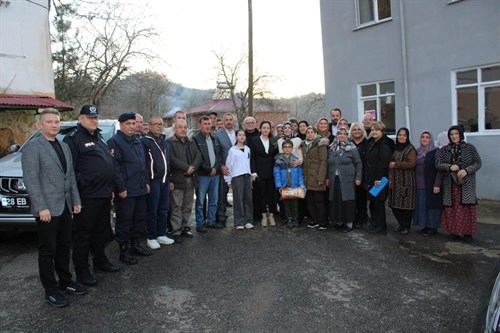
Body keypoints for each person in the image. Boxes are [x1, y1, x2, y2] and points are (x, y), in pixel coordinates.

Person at [21, 108, 85, 308]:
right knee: (48, 250)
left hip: (65, 206)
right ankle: (51, 290)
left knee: (64, 246)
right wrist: (41, 207)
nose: (54, 125)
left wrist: (76, 200)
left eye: (57, 121)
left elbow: (70, 176)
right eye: (49, 122)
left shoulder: (63, 145)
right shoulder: (33, 147)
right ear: (40, 125)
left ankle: (66, 281)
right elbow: (31, 180)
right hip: (47, 209)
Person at [63, 105, 119, 288]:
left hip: (103, 194)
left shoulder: (99, 137)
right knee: (83, 234)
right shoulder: (74, 139)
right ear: (81, 119)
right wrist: (80, 189)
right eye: (89, 117)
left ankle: (100, 261)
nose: (94, 120)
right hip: (87, 196)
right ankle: (82, 271)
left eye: (95, 117)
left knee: (101, 231)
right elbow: (70, 170)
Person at [108, 112, 152, 265]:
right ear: (121, 125)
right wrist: (120, 187)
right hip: (126, 190)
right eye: (128, 124)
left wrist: (146, 182)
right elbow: (115, 167)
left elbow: (143, 164)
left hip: (139, 187)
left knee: (139, 218)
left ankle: (135, 245)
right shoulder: (115, 141)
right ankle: (124, 250)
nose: (132, 126)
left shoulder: (137, 141)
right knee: (124, 220)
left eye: (134, 123)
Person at [436, 125, 482, 242]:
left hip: (466, 184)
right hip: (450, 184)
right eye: (451, 134)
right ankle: (454, 232)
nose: (454, 136)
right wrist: (450, 166)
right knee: (453, 209)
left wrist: (466, 170)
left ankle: (467, 233)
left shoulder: (470, 148)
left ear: (461, 135)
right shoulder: (444, 149)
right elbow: (438, 164)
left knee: (466, 208)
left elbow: (478, 162)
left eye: (456, 134)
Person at [141, 116, 175, 250]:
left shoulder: (165, 142)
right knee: (152, 210)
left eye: (160, 124)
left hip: (165, 180)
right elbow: (143, 164)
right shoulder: (145, 141)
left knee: (164, 209)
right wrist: (146, 181)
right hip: (153, 181)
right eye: (155, 124)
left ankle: (161, 233)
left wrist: (170, 179)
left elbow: (168, 162)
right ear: (149, 126)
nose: (159, 126)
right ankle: (152, 236)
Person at [168, 119, 202, 243]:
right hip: (178, 179)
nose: (183, 129)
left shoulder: (190, 141)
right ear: (175, 129)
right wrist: (185, 167)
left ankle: (183, 228)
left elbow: (198, 156)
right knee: (177, 206)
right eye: (180, 127)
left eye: (185, 127)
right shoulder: (170, 142)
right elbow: (171, 159)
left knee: (187, 206)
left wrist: (192, 167)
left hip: (191, 179)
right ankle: (175, 231)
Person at [327, 127, 362, 232]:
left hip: (348, 180)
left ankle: (348, 223)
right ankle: (338, 221)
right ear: (337, 135)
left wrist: (358, 177)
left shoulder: (352, 148)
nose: (342, 135)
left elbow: (358, 163)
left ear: (347, 136)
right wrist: (328, 178)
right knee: (336, 201)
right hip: (334, 179)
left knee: (347, 201)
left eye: (344, 134)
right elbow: (328, 164)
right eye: (340, 134)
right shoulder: (332, 148)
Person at [193, 116, 223, 233]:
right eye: (204, 123)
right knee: (200, 201)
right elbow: (197, 158)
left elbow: (219, 156)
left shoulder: (214, 139)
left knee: (213, 200)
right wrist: (208, 169)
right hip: (202, 175)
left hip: (215, 175)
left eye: (209, 123)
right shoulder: (196, 139)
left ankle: (211, 221)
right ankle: (200, 223)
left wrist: (215, 168)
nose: (207, 126)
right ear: (200, 125)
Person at [364, 121, 393, 234]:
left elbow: (383, 163)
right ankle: (375, 224)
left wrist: (378, 179)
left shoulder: (384, 145)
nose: (374, 132)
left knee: (378, 203)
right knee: (373, 202)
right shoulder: (372, 143)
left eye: (376, 130)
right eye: (372, 130)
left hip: (380, 179)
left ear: (382, 131)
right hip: (372, 178)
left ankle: (381, 227)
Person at [249, 121, 279, 226]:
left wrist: (277, 171)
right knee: (261, 195)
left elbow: (277, 156)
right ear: (260, 129)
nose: (266, 129)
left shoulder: (274, 140)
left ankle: (271, 216)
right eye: (264, 127)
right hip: (259, 172)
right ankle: (263, 216)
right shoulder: (254, 140)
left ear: (270, 129)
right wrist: (253, 172)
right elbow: (251, 157)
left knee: (271, 195)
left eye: (268, 128)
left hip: (272, 172)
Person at [413, 131, 442, 236]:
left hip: (431, 183)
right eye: (422, 137)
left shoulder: (436, 151)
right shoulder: (417, 151)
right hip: (419, 183)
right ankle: (424, 225)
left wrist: (437, 184)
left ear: (431, 139)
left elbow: (439, 170)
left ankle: (432, 227)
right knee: (421, 205)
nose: (424, 139)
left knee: (431, 206)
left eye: (427, 137)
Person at [224, 129, 255, 230]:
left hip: (247, 175)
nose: (242, 137)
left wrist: (251, 174)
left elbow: (249, 163)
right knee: (238, 200)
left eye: (243, 135)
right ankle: (239, 222)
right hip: (237, 176)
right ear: (236, 137)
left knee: (248, 199)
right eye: (240, 135)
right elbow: (228, 165)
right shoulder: (232, 150)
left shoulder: (247, 149)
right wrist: (228, 180)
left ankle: (248, 220)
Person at [388, 127, 417, 235]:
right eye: (400, 135)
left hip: (406, 181)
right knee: (394, 205)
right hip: (394, 181)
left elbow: (411, 163)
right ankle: (400, 224)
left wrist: (396, 164)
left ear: (407, 137)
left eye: (404, 135)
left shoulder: (410, 149)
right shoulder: (395, 148)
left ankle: (406, 226)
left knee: (406, 207)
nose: (401, 137)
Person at [300, 126, 329, 230]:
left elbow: (324, 161)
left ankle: (322, 221)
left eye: (312, 132)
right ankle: (314, 220)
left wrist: (321, 177)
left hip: (317, 176)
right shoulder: (303, 144)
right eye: (308, 132)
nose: (310, 134)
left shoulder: (320, 144)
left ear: (316, 133)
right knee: (310, 201)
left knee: (319, 201)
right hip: (307, 177)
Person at [274, 139, 305, 227]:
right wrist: (279, 186)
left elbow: (299, 174)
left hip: (294, 186)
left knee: (294, 204)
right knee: (286, 205)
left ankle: (295, 219)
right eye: (285, 147)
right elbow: (277, 174)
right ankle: (289, 219)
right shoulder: (278, 161)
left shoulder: (295, 160)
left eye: (289, 147)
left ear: (292, 148)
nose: (287, 149)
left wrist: (301, 184)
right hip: (284, 186)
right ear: (282, 148)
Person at [214, 113, 236, 226]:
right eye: (226, 120)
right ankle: (221, 218)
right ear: (223, 121)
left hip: (237, 170)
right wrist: (221, 166)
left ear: (234, 121)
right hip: (224, 169)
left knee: (238, 195)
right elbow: (216, 154)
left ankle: (239, 219)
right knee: (222, 196)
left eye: (230, 119)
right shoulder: (217, 135)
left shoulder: (239, 134)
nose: (228, 121)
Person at [348, 122, 369, 229]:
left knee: (362, 199)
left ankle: (362, 219)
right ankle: (354, 218)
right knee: (353, 198)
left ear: (363, 131)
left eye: (359, 129)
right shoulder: (348, 144)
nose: (356, 131)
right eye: (354, 129)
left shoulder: (368, 143)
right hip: (350, 175)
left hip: (364, 175)